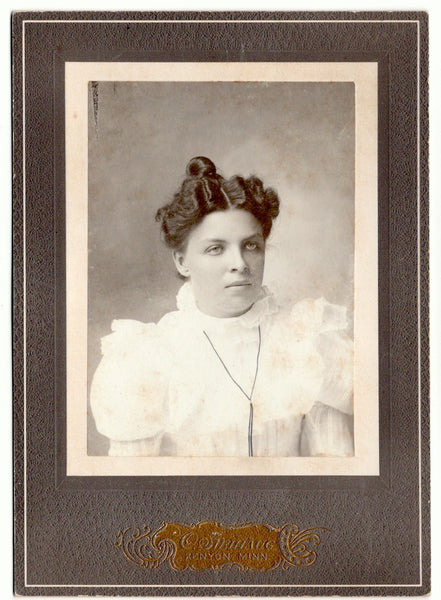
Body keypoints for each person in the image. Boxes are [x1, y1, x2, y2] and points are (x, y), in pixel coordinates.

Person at [90, 156, 354, 457]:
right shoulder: (149, 358)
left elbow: (335, 469)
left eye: (251, 246)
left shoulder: (306, 344)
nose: (240, 264)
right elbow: (134, 492)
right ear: (182, 261)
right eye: (216, 249)